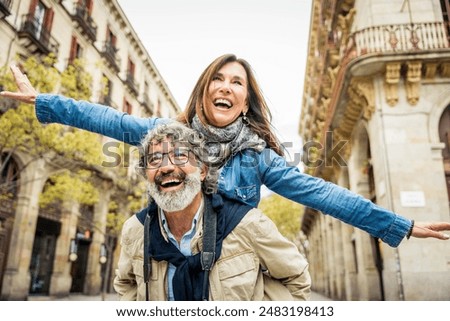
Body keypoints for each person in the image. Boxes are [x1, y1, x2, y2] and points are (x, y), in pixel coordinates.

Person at [1, 55, 450, 247]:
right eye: (219, 78)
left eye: (237, 82)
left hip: (231, 281)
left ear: (245, 100)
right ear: (205, 89)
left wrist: (400, 225)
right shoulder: (166, 132)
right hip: (169, 273)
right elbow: (108, 118)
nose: (226, 86)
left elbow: (321, 193)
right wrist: (45, 102)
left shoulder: (257, 156)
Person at [113, 121, 311, 301]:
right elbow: (126, 286)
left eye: (180, 155)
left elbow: (297, 279)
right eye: (154, 159)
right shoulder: (135, 230)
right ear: (146, 175)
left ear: (203, 170)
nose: (166, 167)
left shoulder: (248, 224)